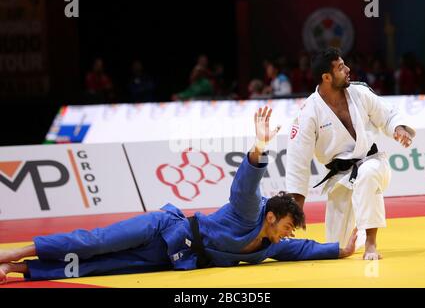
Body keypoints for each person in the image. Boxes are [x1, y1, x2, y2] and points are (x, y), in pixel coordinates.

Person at [0, 106, 357, 283]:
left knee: (99, 268)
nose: (289, 234)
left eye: (291, 230)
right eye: (288, 226)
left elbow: (301, 250)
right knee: (95, 242)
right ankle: (18, 250)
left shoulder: (270, 244)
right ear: (271, 216)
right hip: (162, 229)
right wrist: (261, 147)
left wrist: (340, 250)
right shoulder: (251, 210)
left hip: (168, 258)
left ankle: (17, 269)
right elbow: (247, 182)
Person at [286, 48, 416, 261]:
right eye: (340, 68)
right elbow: (297, 164)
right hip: (341, 177)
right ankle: (362, 229)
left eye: (344, 64)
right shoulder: (308, 113)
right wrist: (295, 210)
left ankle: (371, 244)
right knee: (338, 246)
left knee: (367, 173)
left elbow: (387, 113)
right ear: (326, 77)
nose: (347, 70)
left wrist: (398, 128)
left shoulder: (358, 92)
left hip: (373, 162)